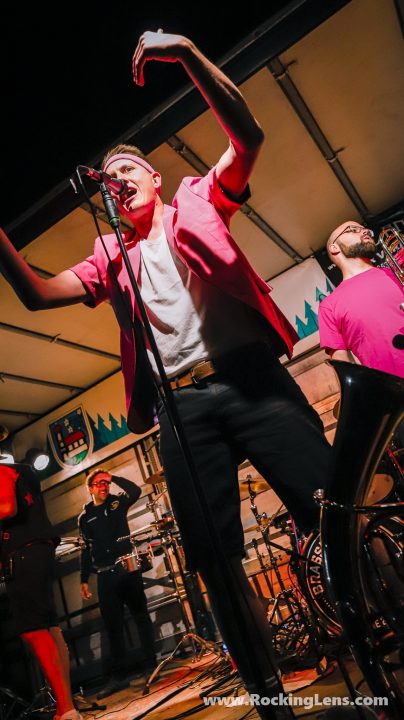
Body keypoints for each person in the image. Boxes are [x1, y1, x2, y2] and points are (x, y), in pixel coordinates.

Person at [0, 30, 331, 714]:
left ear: (154, 177)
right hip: (183, 409)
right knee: (213, 560)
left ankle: (370, 660)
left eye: (128, 168)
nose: (118, 180)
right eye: (110, 176)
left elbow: (248, 136)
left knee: (329, 510)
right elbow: (35, 294)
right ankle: (269, 697)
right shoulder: (109, 255)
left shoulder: (199, 200)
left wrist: (183, 51)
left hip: (251, 379)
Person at [0, 462, 83, 720]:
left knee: (34, 630)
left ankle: (66, 709)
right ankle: (66, 707)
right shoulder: (20, 470)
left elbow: (7, 507)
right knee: (49, 627)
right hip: (36, 551)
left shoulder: (2, 471)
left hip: (24, 554)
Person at [78, 468, 156, 699]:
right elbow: (85, 549)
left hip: (127, 568)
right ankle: (119, 676)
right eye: (99, 483)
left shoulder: (117, 502)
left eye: (106, 483)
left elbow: (135, 490)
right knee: (113, 626)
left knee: (141, 616)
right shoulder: (85, 517)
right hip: (105, 575)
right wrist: (83, 579)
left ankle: (150, 665)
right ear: (90, 488)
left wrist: (113, 477)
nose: (104, 487)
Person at [318, 221, 403, 377]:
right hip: (394, 387)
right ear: (334, 248)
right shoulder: (328, 306)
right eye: (353, 230)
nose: (365, 232)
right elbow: (343, 365)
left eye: (365, 230)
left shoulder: (397, 270)